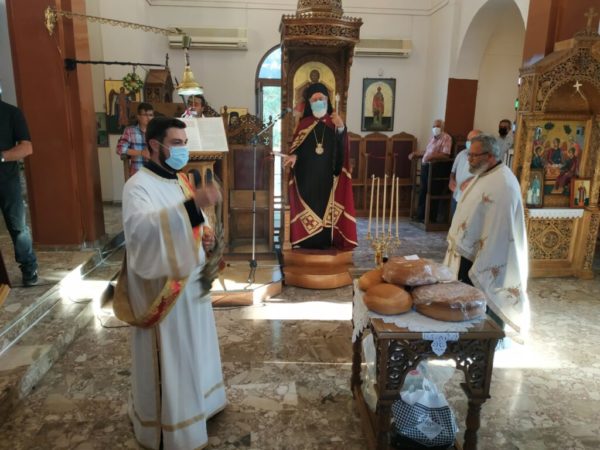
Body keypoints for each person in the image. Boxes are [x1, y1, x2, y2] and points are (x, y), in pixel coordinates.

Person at [114, 117, 227, 449]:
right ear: (154, 145)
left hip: (192, 287)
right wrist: (194, 206)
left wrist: (206, 236)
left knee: (195, 348)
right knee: (176, 355)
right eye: (176, 143)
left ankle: (203, 403)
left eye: (184, 143)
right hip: (166, 293)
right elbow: (142, 233)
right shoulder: (137, 186)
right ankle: (175, 426)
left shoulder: (180, 180)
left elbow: (194, 222)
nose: (183, 150)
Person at [444, 134, 530, 338]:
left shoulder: (503, 184)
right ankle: (468, 334)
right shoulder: (485, 174)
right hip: (470, 248)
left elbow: (499, 227)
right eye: (469, 155)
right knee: (468, 297)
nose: (469, 159)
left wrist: (481, 249)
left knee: (485, 296)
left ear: (490, 156)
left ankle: (485, 337)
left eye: (474, 156)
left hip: (489, 254)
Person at [283, 82, 357, 250]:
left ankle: (326, 240)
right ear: (309, 103)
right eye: (314, 99)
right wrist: (294, 156)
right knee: (310, 204)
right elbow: (298, 148)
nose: (317, 102)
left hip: (327, 175)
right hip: (306, 176)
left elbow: (342, 149)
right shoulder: (304, 124)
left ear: (327, 100)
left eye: (321, 98)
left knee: (325, 206)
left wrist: (341, 128)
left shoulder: (334, 122)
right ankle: (305, 240)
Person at [0, 92, 38, 286]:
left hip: (7, 181)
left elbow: (26, 148)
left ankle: (29, 268)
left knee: (18, 227)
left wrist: (1, 156)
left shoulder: (11, 113)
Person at [409, 119, 452, 222]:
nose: (435, 128)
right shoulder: (432, 138)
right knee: (423, 191)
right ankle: (420, 216)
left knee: (432, 191)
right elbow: (427, 152)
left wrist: (432, 156)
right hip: (426, 167)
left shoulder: (446, 138)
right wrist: (416, 153)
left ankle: (430, 218)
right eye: (434, 126)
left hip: (436, 169)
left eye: (437, 126)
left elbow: (446, 155)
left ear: (442, 127)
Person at [449, 129, 481, 217]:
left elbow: (485, 176)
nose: (469, 142)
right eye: (468, 140)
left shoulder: (483, 158)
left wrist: (471, 181)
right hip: (457, 196)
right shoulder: (461, 154)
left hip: (471, 199)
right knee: (454, 222)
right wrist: (451, 180)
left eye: (472, 140)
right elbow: (453, 172)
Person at [116, 102, 154, 177]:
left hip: (154, 174)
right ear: (138, 117)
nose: (149, 118)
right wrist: (141, 153)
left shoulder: (157, 131)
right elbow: (119, 149)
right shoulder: (130, 131)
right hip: (137, 174)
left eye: (150, 115)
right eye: (145, 115)